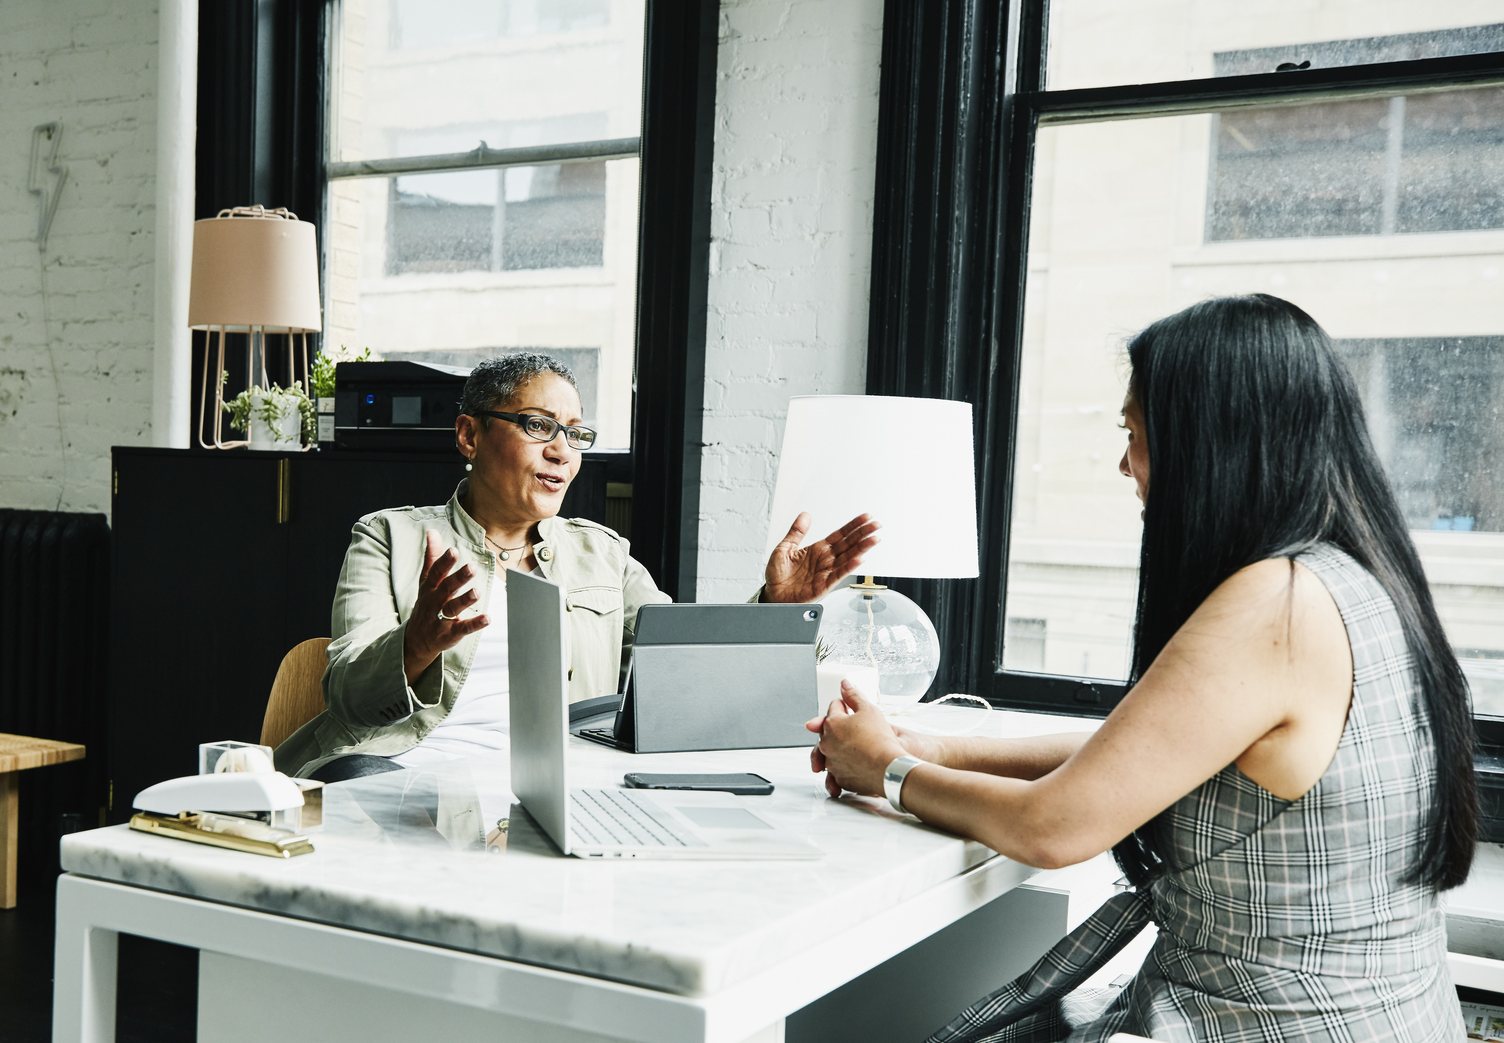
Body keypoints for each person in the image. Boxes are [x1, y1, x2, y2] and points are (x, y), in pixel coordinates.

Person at [810, 294, 1474, 1042]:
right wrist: (934, 748)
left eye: (1135, 434)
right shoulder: (1358, 576)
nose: (1124, 464)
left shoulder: (1275, 606)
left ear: (1210, 442)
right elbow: (1149, 755)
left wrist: (889, 771)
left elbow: (1053, 828)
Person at [275, 352, 880, 782]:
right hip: (401, 769)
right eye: (538, 426)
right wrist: (417, 643)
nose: (563, 450)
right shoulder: (389, 536)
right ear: (469, 435)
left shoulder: (602, 552)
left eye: (575, 433)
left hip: (558, 786)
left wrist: (778, 607)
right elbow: (348, 693)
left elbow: (683, 662)